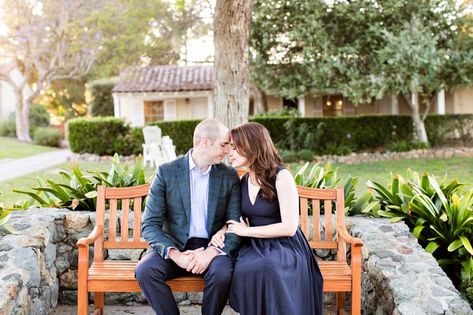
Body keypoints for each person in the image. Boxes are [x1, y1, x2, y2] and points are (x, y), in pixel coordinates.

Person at [210, 122, 324, 315]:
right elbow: (236, 217)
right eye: (230, 146)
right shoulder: (243, 180)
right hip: (254, 245)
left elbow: (289, 227)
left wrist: (246, 231)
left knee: (268, 267)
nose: (230, 152)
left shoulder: (281, 176)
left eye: (235, 147)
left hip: (284, 244)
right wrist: (221, 232)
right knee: (245, 268)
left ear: (252, 146)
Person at [135, 118, 242, 315]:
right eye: (224, 144)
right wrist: (176, 255)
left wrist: (209, 252)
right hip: (176, 245)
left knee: (222, 273)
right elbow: (150, 224)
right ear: (206, 142)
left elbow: (235, 224)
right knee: (145, 271)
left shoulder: (228, 175)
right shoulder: (167, 173)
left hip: (212, 247)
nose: (228, 151)